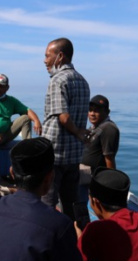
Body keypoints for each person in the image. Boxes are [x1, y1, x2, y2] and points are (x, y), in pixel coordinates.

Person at [40, 37, 90, 223]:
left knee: (47, 203)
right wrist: (79, 135)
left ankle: (49, 244)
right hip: (74, 154)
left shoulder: (57, 80)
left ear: (59, 56)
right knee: (71, 202)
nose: (45, 61)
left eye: (47, 56)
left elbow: (63, 116)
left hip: (55, 153)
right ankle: (72, 239)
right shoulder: (83, 81)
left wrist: (76, 131)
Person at [75, 94, 120, 228]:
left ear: (106, 112)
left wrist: (110, 186)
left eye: (97, 110)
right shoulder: (94, 128)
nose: (92, 114)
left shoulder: (108, 129)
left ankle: (85, 229)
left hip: (93, 175)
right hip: (85, 172)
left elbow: (109, 158)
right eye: (90, 110)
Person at [0, 73, 42, 150]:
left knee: (25, 118)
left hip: (5, 135)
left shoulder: (11, 100)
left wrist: (36, 121)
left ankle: (27, 149)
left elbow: (27, 110)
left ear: (7, 87)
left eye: (1, 86)